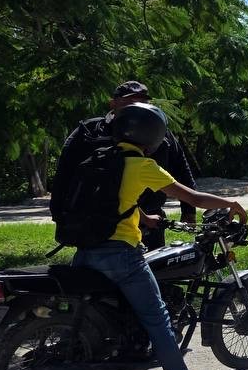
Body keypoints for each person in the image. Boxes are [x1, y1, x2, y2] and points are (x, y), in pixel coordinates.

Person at [72, 102, 248, 370]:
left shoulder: (100, 160)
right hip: (120, 255)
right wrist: (229, 204)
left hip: (85, 251)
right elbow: (191, 196)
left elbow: (110, 201)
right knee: (158, 318)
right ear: (152, 136)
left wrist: (143, 217)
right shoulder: (142, 166)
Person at [51, 81, 197, 249]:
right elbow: (64, 175)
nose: (137, 106)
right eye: (130, 101)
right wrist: (61, 217)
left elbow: (181, 169)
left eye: (142, 101)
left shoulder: (157, 131)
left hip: (150, 220)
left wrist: (189, 211)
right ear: (113, 104)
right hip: (102, 223)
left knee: (158, 270)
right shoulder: (90, 132)